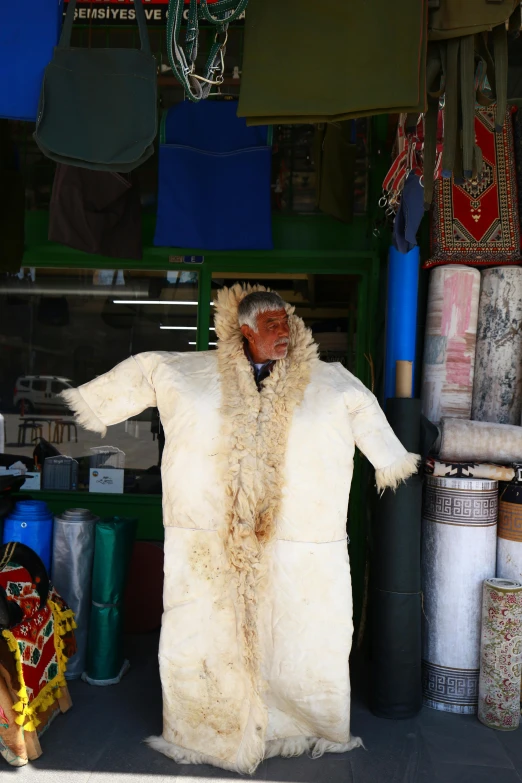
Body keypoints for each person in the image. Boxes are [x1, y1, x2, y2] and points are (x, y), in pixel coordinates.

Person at [61, 285, 419, 774]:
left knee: (303, 637)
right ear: (246, 331)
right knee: (203, 635)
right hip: (208, 539)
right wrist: (96, 403)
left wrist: (391, 458)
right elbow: (150, 366)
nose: (283, 333)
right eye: (271, 325)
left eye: (286, 323)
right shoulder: (194, 374)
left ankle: (301, 725)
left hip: (302, 544)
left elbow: (377, 435)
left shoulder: (331, 382)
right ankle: (204, 728)